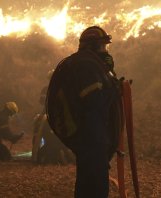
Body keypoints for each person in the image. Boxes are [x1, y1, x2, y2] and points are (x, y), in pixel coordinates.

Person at [46, 26, 121, 197]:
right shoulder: (87, 66)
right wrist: (114, 89)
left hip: (87, 139)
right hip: (92, 138)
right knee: (95, 187)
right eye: (103, 46)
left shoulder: (82, 63)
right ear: (94, 46)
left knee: (86, 182)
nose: (105, 51)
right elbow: (95, 103)